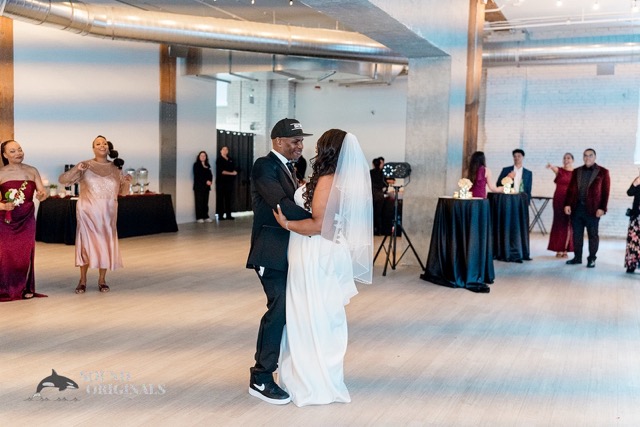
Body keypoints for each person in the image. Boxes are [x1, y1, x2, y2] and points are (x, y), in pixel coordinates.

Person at [273, 129, 373, 406]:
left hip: (315, 254)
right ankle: (318, 377)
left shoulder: (329, 180)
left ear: (327, 148)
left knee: (311, 315)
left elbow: (319, 224)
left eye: (318, 144)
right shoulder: (336, 179)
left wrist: (287, 224)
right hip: (323, 252)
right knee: (319, 315)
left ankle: (313, 383)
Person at [246, 118, 312, 405]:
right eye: (294, 141)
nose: (300, 146)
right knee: (279, 310)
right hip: (270, 252)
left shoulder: (291, 167)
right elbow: (282, 207)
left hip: (288, 251)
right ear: (277, 142)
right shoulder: (265, 165)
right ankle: (261, 377)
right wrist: (318, 221)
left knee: (287, 310)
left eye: (301, 141)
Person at [59, 135, 132, 293]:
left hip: (108, 213)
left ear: (108, 147)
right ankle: (83, 280)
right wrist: (76, 169)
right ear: (93, 148)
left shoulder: (116, 167)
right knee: (86, 244)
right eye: (98, 143)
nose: (102, 145)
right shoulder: (86, 165)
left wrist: (127, 182)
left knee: (105, 244)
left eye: (104, 143)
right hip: (87, 211)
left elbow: (124, 193)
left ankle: (102, 280)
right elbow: (63, 180)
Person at [0, 140, 48, 301]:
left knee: (25, 253)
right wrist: (3, 207)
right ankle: (4, 287)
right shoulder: (1, 173)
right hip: (6, 219)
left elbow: (42, 192)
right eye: (12, 151)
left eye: (19, 149)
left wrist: (42, 195)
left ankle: (25, 287)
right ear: (5, 155)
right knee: (5, 254)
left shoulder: (32, 170)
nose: (18, 153)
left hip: (27, 217)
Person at [564, 148, 610, 268]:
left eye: (590, 155)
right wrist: (567, 204)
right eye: (585, 155)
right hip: (577, 208)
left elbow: (606, 192)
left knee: (593, 235)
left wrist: (602, 208)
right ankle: (577, 257)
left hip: (593, 210)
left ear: (595, 157)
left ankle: (592, 259)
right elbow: (570, 190)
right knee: (577, 235)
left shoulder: (603, 172)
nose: (587, 158)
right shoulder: (576, 171)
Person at [546, 153, 574, 257]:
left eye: (568, 158)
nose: (566, 160)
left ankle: (566, 248)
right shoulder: (560, 170)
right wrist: (551, 166)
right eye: (564, 158)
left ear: (572, 160)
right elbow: (554, 168)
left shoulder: (576, 173)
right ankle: (558, 248)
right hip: (558, 199)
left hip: (570, 200)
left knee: (568, 224)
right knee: (558, 223)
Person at [215, 146, 238, 220]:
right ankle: (220, 215)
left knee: (228, 199)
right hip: (221, 183)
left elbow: (235, 168)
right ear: (220, 151)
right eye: (223, 149)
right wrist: (232, 173)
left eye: (226, 149)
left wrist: (235, 171)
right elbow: (221, 171)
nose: (225, 151)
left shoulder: (230, 159)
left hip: (229, 183)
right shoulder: (219, 160)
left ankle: (229, 215)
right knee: (220, 199)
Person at [624, 173, 640, 273]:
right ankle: (631, 264)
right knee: (633, 242)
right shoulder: (638, 180)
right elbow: (629, 192)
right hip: (636, 216)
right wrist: (635, 183)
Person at [193, 151, 213, 223]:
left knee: (205, 202)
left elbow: (210, 175)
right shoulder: (196, 165)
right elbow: (198, 175)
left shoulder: (208, 165)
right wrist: (205, 181)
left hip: (206, 187)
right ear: (199, 157)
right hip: (199, 187)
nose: (203, 157)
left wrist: (210, 181)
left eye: (204, 156)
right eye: (201, 156)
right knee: (199, 202)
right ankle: (199, 217)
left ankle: (206, 216)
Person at [370, 157, 388, 235]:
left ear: (373, 164)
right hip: (380, 195)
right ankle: (379, 231)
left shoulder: (370, 173)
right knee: (379, 214)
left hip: (372, 195)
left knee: (371, 213)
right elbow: (385, 184)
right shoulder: (382, 173)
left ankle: (372, 230)